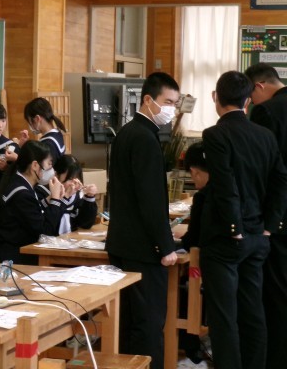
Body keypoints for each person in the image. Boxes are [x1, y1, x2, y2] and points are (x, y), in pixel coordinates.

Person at [200, 70, 287, 369]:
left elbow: (226, 185)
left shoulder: (215, 134)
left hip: (226, 239)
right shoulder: (264, 135)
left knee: (224, 318)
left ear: (215, 97)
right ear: (248, 100)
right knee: (253, 313)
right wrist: (269, 227)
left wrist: (234, 228)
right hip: (258, 237)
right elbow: (281, 180)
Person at [105, 72, 180, 369]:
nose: (171, 109)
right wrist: (166, 246)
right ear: (148, 100)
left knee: (126, 323)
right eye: (168, 102)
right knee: (148, 324)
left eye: (175, 103)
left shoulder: (126, 133)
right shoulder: (145, 138)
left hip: (122, 243)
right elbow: (150, 200)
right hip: (144, 249)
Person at [244, 63, 287, 369]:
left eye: (250, 95)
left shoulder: (268, 112)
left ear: (258, 87)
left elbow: (262, 170)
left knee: (275, 297)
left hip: (277, 220)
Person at [0, 140, 64, 264]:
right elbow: (44, 231)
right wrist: (55, 200)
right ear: (35, 165)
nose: (52, 170)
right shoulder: (21, 192)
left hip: (13, 252)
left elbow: (32, 214)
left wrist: (49, 200)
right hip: (12, 258)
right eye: (49, 164)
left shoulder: (19, 183)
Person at [173, 142, 210, 368]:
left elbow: (192, 240)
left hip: (206, 268)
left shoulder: (203, 197)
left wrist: (179, 239)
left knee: (180, 285)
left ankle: (187, 344)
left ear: (195, 171)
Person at [36, 154, 97, 234]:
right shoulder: (41, 192)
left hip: (70, 239)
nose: (74, 183)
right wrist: (65, 196)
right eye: (70, 179)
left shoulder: (76, 195)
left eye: (77, 178)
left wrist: (89, 198)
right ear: (56, 175)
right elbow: (47, 226)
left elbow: (85, 224)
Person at [18, 97, 67, 164]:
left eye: (29, 122)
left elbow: (36, 167)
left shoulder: (47, 143)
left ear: (37, 119)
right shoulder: (57, 133)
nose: (30, 126)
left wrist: (17, 156)